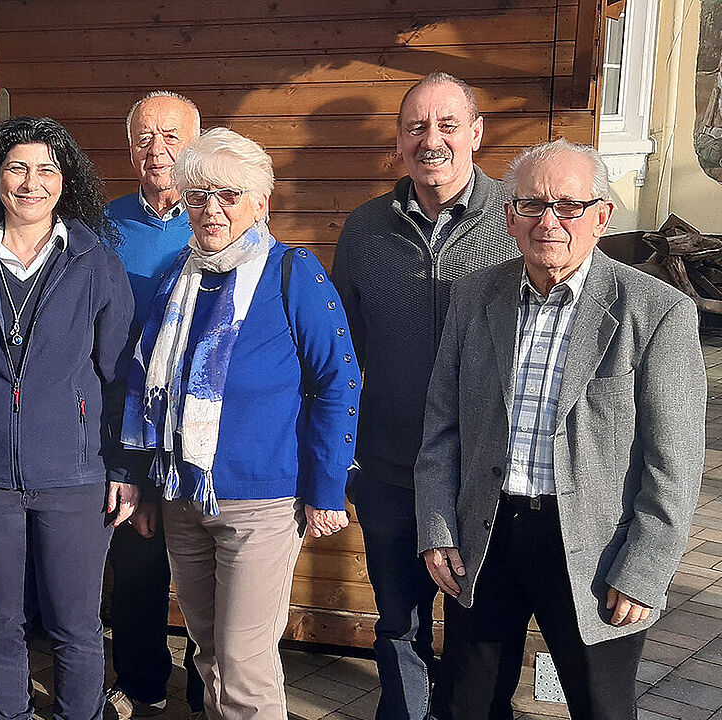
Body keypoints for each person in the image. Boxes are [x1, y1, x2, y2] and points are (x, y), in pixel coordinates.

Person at [415, 139, 706, 720]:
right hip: (487, 536)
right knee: (467, 704)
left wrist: (645, 567)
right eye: (531, 205)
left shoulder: (655, 311)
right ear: (509, 216)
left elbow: (674, 463)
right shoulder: (474, 296)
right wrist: (437, 525)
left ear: (601, 216)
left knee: (600, 708)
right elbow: (442, 427)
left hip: (595, 550)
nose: (548, 221)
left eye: (568, 206)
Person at [123, 128, 361, 720]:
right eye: (199, 194)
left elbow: (340, 382)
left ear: (262, 202)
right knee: (207, 654)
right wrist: (147, 486)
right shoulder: (177, 276)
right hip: (182, 497)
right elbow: (144, 383)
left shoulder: (291, 273)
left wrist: (327, 488)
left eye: (228, 195)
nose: (212, 209)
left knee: (245, 660)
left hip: (261, 501)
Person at [0, 116, 137, 720]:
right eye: (17, 167)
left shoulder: (95, 263)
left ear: (65, 182)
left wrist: (122, 466)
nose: (31, 182)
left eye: (46, 169)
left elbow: (119, 378)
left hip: (75, 474)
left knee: (75, 624)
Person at [330, 71, 518, 720]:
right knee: (398, 627)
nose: (430, 140)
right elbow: (340, 358)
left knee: (479, 637)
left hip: (484, 479)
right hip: (389, 472)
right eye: (415, 127)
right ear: (399, 141)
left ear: (476, 134)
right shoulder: (364, 232)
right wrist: (344, 462)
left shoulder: (516, 223)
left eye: (446, 125)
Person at [102, 90, 205, 720]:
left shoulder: (220, 219)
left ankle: (204, 692)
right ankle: (141, 684)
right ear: (130, 146)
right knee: (137, 565)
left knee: (203, 573)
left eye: (172, 137)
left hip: (202, 430)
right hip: (131, 427)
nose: (158, 150)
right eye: (145, 137)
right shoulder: (107, 224)